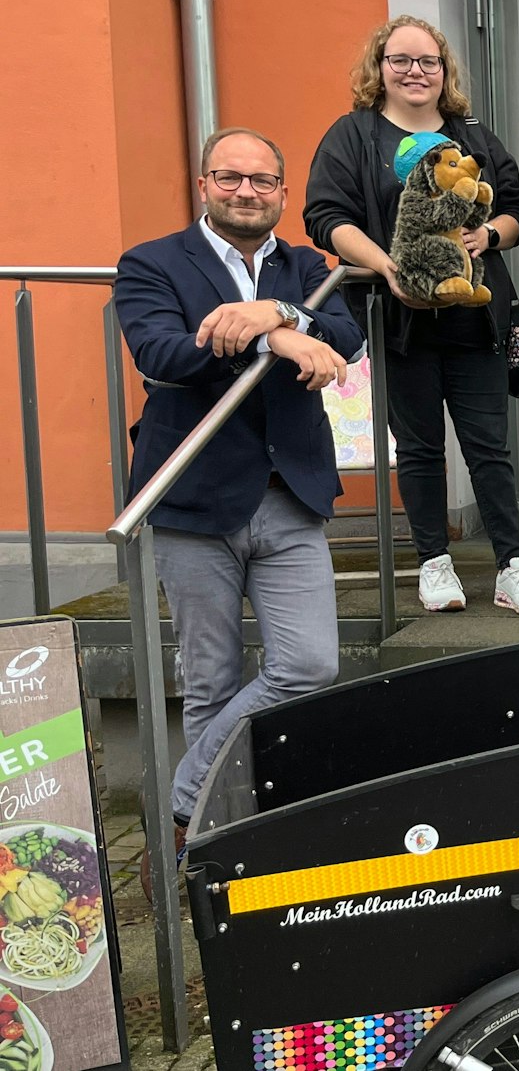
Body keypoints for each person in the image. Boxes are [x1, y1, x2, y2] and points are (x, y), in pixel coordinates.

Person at [114, 127, 364, 849]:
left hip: (291, 492)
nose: (245, 192)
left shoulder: (304, 264)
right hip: (194, 495)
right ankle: (223, 842)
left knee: (308, 663)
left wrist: (280, 312)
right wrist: (273, 337)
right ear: (204, 185)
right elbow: (160, 352)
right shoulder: (153, 262)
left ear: (283, 192)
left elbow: (344, 338)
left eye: (261, 181)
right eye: (229, 177)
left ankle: (184, 801)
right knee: (211, 681)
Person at [305, 15, 519, 614]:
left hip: (475, 319)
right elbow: (326, 217)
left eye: (428, 62)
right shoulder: (353, 135)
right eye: (401, 60)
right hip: (400, 321)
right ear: (380, 67)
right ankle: (434, 563)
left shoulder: (474, 135)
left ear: (444, 71)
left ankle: (513, 565)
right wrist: (387, 268)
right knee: (418, 449)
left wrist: (487, 236)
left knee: (489, 446)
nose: (415, 72)